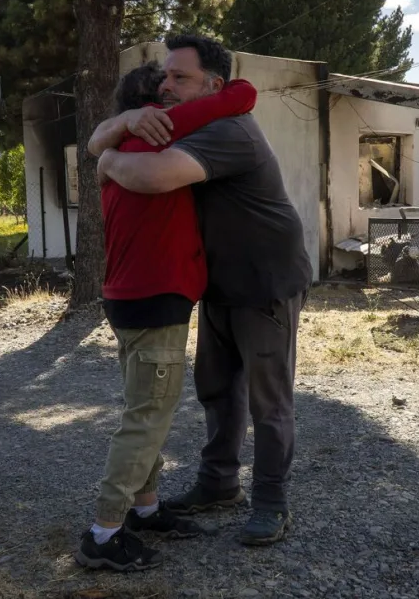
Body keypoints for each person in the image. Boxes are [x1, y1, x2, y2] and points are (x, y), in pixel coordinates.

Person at [92, 35, 312, 546]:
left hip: (264, 281)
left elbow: (150, 176)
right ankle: (218, 483)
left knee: (268, 399)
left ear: (214, 84)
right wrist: (120, 125)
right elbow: (104, 134)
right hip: (218, 283)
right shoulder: (185, 124)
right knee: (217, 386)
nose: (166, 86)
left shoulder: (229, 131)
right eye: (164, 76)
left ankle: (272, 503)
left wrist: (105, 163)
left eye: (179, 78)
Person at [75, 62, 259, 572]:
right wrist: (147, 115)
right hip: (155, 297)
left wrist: (115, 128)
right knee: (147, 417)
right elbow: (241, 95)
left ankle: (146, 509)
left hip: (129, 296)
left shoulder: (120, 148)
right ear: (153, 103)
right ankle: (104, 532)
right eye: (170, 87)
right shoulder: (160, 129)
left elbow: (98, 142)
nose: (178, 94)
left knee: (146, 406)